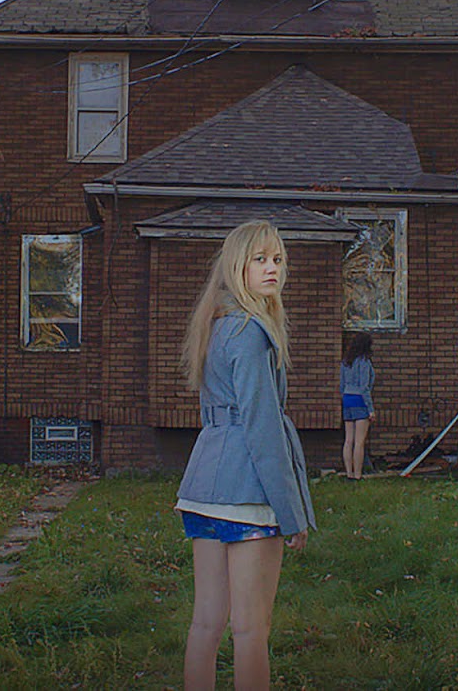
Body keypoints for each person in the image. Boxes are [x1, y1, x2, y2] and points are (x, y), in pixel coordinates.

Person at [176, 220, 315, 691]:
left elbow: (215, 414)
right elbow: (262, 429)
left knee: (205, 624)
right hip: (247, 494)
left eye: (277, 259)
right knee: (251, 630)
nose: (272, 268)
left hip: (202, 488)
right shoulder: (251, 332)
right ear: (238, 266)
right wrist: (292, 514)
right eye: (260, 259)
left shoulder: (214, 325)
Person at [340, 331, 375, 480]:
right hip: (360, 400)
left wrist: (344, 399)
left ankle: (349, 473)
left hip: (347, 398)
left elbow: (342, 385)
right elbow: (364, 386)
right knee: (359, 441)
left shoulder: (345, 362)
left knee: (348, 440)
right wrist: (370, 409)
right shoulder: (364, 361)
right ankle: (357, 475)